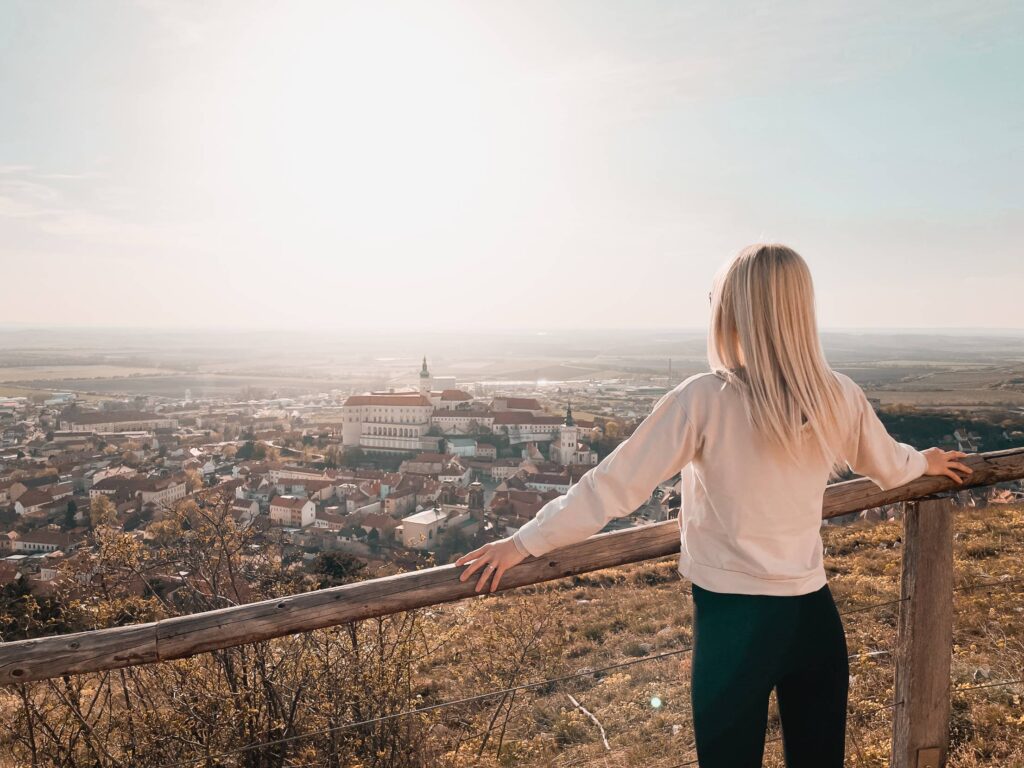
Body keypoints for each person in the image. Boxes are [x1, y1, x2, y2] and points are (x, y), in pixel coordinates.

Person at [455, 243, 973, 767]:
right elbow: (890, 466)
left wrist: (522, 543)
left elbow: (609, 488)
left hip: (733, 625)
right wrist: (924, 461)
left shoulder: (702, 399)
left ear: (734, 312)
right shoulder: (837, 395)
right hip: (814, 618)